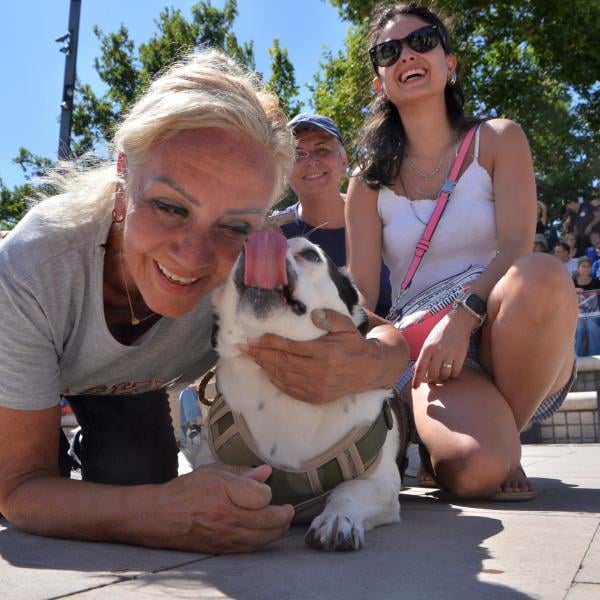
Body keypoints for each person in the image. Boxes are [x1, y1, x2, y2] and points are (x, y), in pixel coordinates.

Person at [0, 49, 409, 553]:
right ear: (124, 176)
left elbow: (379, 330)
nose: (194, 256)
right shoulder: (32, 269)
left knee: (135, 476)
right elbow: (18, 491)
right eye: (170, 206)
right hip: (20, 357)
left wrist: (367, 364)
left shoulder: (251, 276)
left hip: (122, 387)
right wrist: (154, 515)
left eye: (235, 225)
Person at [345, 2, 577, 500]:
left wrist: (463, 317)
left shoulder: (498, 138)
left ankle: (501, 436)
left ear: (450, 63)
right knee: (475, 473)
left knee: (542, 273)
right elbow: (361, 296)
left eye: (423, 41)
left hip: (510, 330)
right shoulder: (365, 187)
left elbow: (517, 245)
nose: (407, 54)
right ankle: (478, 448)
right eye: (389, 50)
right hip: (430, 352)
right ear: (379, 82)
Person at [270, 112, 392, 317]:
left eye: (322, 149)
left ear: (343, 160)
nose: (312, 161)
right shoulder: (276, 233)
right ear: (284, 171)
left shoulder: (384, 213)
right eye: (298, 154)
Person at [572, 256, 600, 356]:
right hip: (577, 315)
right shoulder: (572, 282)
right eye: (583, 266)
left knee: (591, 326)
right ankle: (577, 359)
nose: (586, 268)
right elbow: (563, 296)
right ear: (578, 268)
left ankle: (595, 359)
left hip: (595, 315)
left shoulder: (597, 282)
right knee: (579, 327)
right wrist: (573, 290)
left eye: (588, 266)